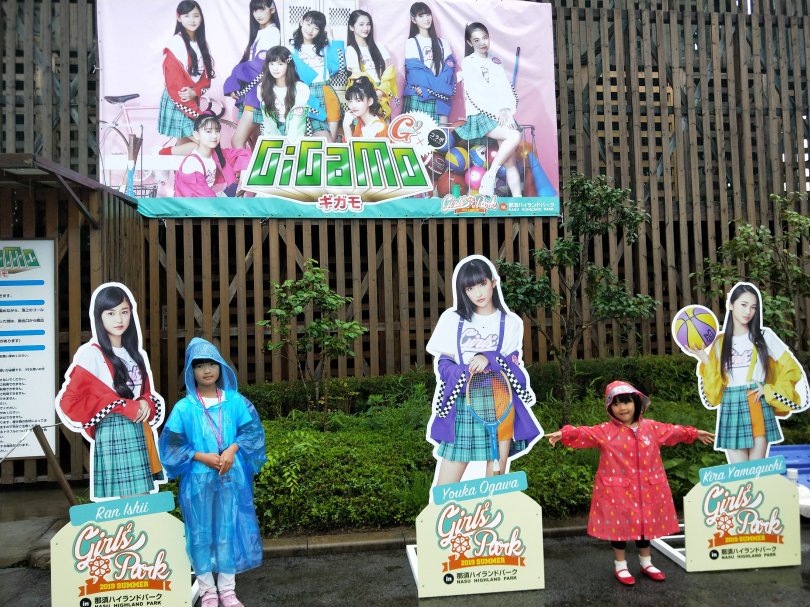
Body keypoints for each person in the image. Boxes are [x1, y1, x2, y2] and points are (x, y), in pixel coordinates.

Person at [546, 381, 715, 586]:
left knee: (644, 526)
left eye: (626, 402)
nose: (622, 408)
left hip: (647, 490)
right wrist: (564, 434)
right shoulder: (605, 431)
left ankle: (646, 562)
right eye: (616, 404)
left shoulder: (651, 428)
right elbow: (584, 433)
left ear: (636, 402)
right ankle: (620, 565)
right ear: (610, 408)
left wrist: (694, 433)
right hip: (617, 491)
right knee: (619, 529)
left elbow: (673, 431)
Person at [158, 337, 266, 607]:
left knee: (227, 531)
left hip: (230, 477)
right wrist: (200, 456)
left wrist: (232, 449)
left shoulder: (235, 402)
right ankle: (207, 591)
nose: (206, 371)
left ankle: (227, 590)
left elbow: (251, 432)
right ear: (190, 371)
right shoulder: (185, 408)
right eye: (199, 366)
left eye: (211, 364)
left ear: (220, 366)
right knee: (200, 533)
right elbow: (171, 445)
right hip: (198, 480)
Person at [426, 256, 542, 485]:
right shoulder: (452, 319)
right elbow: (443, 364)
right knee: (446, 488)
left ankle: (490, 511)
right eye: (470, 288)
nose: (478, 292)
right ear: (463, 291)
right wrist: (465, 371)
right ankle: (448, 512)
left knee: (495, 481)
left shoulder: (511, 322)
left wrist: (488, 358)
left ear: (493, 282)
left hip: (500, 399)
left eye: (482, 284)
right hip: (464, 399)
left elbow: (512, 366)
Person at [55, 284, 165, 502]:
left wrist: (145, 402)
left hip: (138, 429)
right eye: (111, 313)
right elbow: (69, 402)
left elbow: (144, 394)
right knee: (135, 503)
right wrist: (119, 405)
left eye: (124, 312)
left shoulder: (135, 353)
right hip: (114, 430)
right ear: (99, 317)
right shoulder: (91, 354)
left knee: (141, 503)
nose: (119, 319)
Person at [690, 282, 809, 463]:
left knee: (756, 471)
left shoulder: (764, 336)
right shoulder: (720, 342)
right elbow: (715, 384)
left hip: (757, 401)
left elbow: (791, 369)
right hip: (731, 403)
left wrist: (768, 390)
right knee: (739, 473)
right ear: (731, 305)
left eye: (753, 307)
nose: (748, 311)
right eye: (743, 305)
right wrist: (703, 358)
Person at [455, 22, 522, 197]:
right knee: (514, 136)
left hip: (502, 114)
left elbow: (505, 89)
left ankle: (518, 200)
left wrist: (506, 111)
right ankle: (490, 175)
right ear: (470, 43)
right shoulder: (469, 62)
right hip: (482, 114)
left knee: (510, 162)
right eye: (476, 40)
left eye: (484, 38)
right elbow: (478, 93)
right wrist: (498, 111)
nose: (482, 43)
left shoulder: (496, 61)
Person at [158, 1, 216, 156]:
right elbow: (175, 85)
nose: (192, 20)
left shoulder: (202, 44)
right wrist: (197, 112)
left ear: (201, 18)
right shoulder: (174, 45)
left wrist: (195, 92)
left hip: (191, 98)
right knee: (203, 142)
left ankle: (175, 168)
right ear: (179, 18)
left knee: (184, 145)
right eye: (187, 16)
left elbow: (206, 79)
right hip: (177, 100)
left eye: (196, 15)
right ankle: (163, 153)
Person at [224, 0, 282, 148]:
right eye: (255, 10)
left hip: (258, 93)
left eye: (262, 9)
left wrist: (234, 82)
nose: (258, 14)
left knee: (237, 141)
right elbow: (249, 65)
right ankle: (253, 164)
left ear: (272, 9)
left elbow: (259, 67)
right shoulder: (260, 33)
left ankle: (245, 166)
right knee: (257, 144)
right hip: (253, 92)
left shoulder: (272, 33)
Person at [287, 10, 345, 141]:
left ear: (321, 31)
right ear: (301, 22)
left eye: (316, 28)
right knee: (307, 137)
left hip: (326, 92)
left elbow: (339, 68)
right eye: (308, 24)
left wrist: (332, 38)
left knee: (330, 142)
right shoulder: (291, 49)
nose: (310, 30)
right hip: (305, 94)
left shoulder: (325, 48)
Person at [173, 112, 251, 197]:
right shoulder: (193, 163)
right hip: (192, 203)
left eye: (217, 131)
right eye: (208, 131)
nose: (214, 136)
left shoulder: (215, 155)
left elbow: (243, 153)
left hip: (208, 200)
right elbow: (205, 197)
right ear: (196, 135)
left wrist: (242, 177)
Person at [403, 2, 455, 125]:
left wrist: (428, 91)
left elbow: (448, 73)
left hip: (438, 100)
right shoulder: (412, 42)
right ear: (413, 19)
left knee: (441, 136)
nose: (426, 19)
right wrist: (443, 89)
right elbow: (416, 75)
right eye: (421, 16)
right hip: (418, 98)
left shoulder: (443, 43)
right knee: (416, 135)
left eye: (428, 14)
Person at [346, 9, 398, 119]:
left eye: (368, 24)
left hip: (382, 95)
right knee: (367, 128)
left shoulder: (379, 46)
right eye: (361, 24)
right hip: (364, 98)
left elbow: (389, 73)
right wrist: (372, 96)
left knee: (384, 127)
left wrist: (380, 92)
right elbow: (358, 78)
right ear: (351, 27)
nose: (366, 28)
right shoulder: (351, 50)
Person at [258, 46, 310, 141]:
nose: (275, 68)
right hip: (271, 132)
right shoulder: (262, 88)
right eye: (271, 64)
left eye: (280, 64)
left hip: (295, 131)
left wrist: (290, 144)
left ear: (288, 65)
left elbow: (297, 122)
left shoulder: (301, 88)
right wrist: (276, 142)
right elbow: (268, 121)